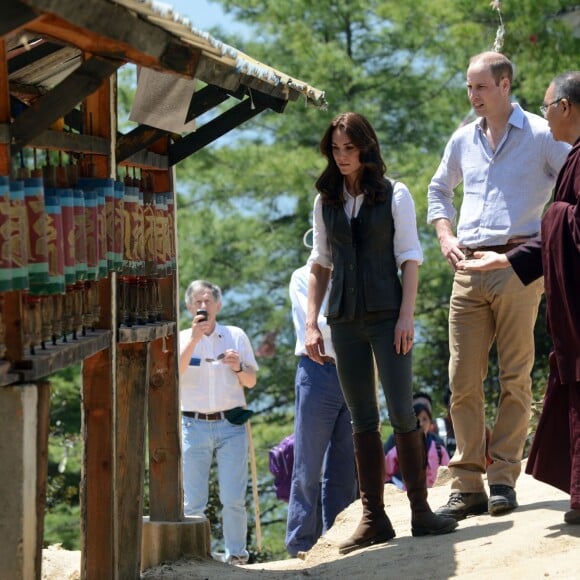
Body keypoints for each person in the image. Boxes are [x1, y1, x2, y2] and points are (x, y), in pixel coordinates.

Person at [305, 111, 458, 556]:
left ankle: (421, 512)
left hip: (388, 315)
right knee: (361, 418)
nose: (342, 156)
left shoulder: (395, 194)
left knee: (402, 411)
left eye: (349, 148)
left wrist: (406, 316)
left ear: (366, 148)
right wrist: (312, 321)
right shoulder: (325, 198)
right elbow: (320, 263)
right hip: (344, 320)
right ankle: (374, 517)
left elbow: (410, 257)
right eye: (335, 149)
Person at [427, 51, 570, 521]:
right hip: (467, 268)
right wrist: (446, 235)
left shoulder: (543, 133)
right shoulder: (462, 139)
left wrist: (547, 250)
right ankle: (466, 481)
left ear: (505, 85)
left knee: (515, 375)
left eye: (481, 87)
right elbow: (437, 189)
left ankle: (504, 477)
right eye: (469, 88)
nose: (472, 97)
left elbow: (574, 179)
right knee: (461, 380)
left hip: (517, 265)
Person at [178, 280, 259, 565]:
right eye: (198, 302)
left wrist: (238, 366)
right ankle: (197, 555)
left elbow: (251, 380)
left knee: (233, 496)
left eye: (208, 301)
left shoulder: (235, 336)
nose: (203, 307)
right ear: (189, 306)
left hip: (231, 424)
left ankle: (236, 554)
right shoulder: (181, 338)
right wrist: (195, 340)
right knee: (193, 501)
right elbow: (174, 372)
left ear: (218, 305)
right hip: (193, 424)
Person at [285, 260, 357, 558]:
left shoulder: (350, 272)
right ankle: (301, 543)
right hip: (317, 369)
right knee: (308, 464)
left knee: (344, 465)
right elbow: (318, 326)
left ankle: (338, 536)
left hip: (353, 370)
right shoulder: (302, 277)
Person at [385, 402, 450, 489]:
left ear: (431, 423)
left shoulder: (439, 450)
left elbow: (449, 475)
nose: (421, 423)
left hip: (436, 497)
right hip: (409, 497)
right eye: (416, 420)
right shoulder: (402, 448)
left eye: (424, 419)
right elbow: (385, 471)